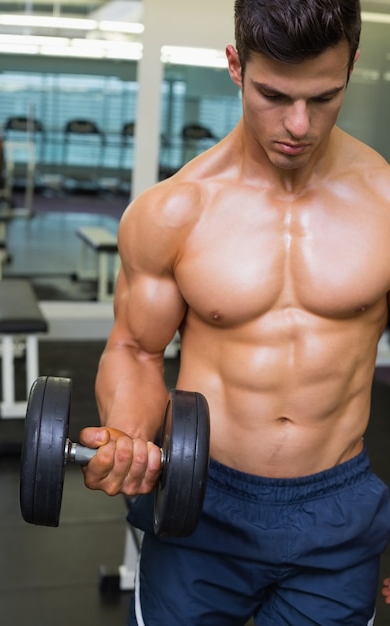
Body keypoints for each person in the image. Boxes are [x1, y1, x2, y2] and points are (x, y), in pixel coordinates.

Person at [80, 0, 390, 623]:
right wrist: (130, 439)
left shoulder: (384, 204)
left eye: (324, 98)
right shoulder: (175, 210)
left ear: (352, 67)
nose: (298, 124)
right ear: (235, 67)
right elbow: (136, 351)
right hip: (202, 500)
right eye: (274, 94)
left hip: (337, 507)